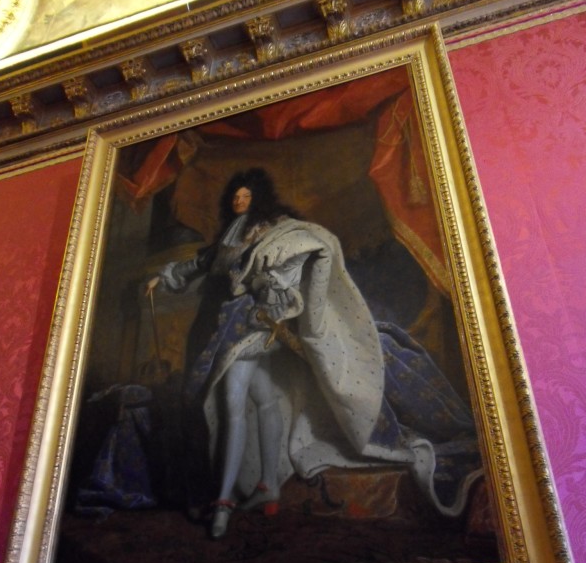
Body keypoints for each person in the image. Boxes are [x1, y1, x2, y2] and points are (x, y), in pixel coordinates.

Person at [147, 168, 481, 538]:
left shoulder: (276, 228)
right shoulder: (230, 233)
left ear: (258, 198)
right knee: (264, 399)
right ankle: (268, 488)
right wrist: (166, 277)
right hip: (229, 325)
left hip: (260, 325)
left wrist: (274, 285)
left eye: (245, 196)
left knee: (232, 402)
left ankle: (223, 500)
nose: (239, 201)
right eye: (235, 197)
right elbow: (202, 262)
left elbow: (311, 250)